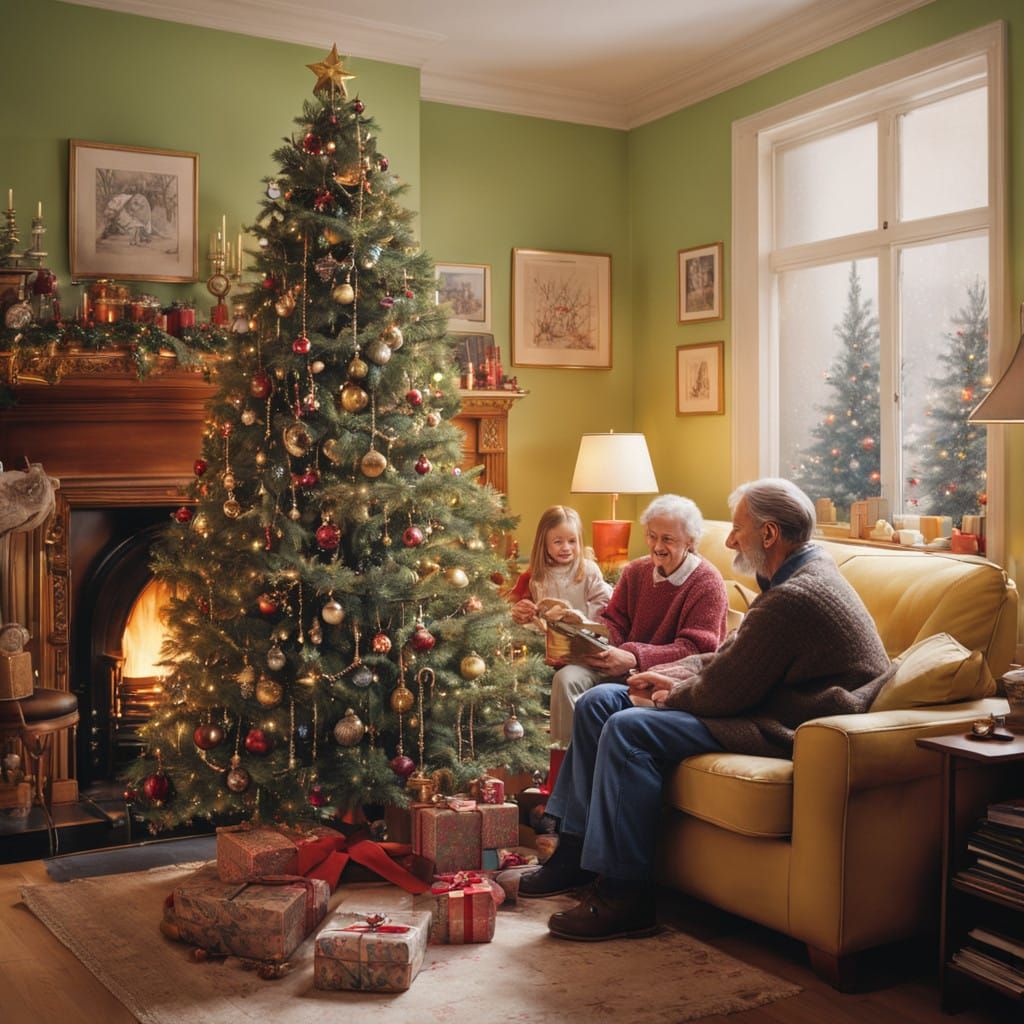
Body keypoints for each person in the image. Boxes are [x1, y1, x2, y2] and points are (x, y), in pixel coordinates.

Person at [520, 478, 891, 943]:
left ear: (770, 534)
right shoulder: (796, 574)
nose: (731, 540)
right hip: (763, 698)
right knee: (598, 702)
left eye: (738, 529)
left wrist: (666, 693)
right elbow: (735, 654)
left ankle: (625, 895)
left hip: (789, 721)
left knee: (628, 727)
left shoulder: (795, 595)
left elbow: (729, 686)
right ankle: (574, 852)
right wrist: (673, 675)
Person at [545, 494, 728, 748]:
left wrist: (633, 657)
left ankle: (585, 774)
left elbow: (696, 649)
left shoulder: (707, 583)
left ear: (690, 541)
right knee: (566, 679)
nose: (657, 546)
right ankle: (563, 766)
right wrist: (591, 635)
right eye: (652, 536)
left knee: (599, 698)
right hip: (619, 665)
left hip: (665, 676)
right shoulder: (636, 571)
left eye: (667, 539)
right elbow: (614, 622)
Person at [508, 505, 612, 628]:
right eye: (558, 542)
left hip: (584, 636)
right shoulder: (539, 575)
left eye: (572, 541)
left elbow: (602, 603)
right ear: (544, 544)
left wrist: (576, 618)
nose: (566, 548)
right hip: (553, 639)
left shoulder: (589, 570)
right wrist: (532, 612)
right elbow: (542, 613)